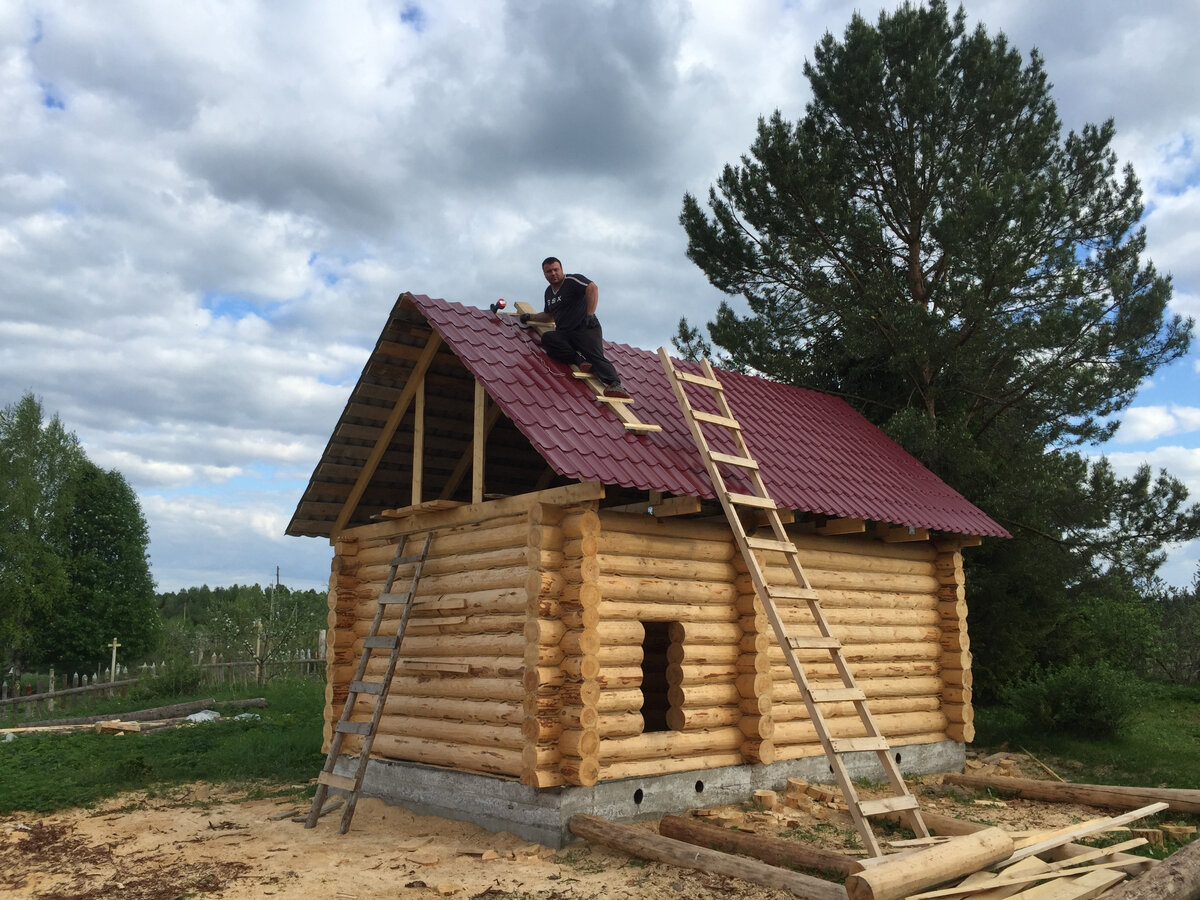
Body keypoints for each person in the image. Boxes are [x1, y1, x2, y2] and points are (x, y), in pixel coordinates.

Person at [519, 257, 630, 398]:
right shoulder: (548, 293)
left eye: (555, 270)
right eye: (549, 271)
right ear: (544, 274)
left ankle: (615, 384)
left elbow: (592, 288)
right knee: (548, 339)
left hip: (585, 327)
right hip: (565, 332)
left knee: (594, 355)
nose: (553, 273)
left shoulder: (572, 281)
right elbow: (549, 316)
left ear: (561, 269)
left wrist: (590, 314)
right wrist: (530, 317)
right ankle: (579, 361)